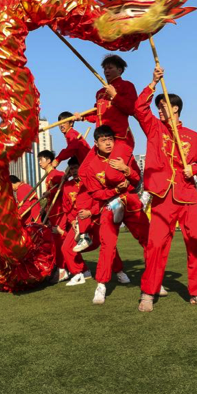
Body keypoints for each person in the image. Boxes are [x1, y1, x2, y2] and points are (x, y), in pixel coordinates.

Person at [133, 66, 197, 312]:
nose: (160, 110)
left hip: (188, 196)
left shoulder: (193, 137)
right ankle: (148, 292)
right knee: (156, 245)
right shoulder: (153, 128)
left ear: (176, 108)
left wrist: (196, 169)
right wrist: (153, 83)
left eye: (164, 106)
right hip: (162, 196)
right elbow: (139, 109)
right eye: (158, 106)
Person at [78, 125, 150, 305]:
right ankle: (101, 285)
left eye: (110, 139)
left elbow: (137, 179)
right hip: (109, 207)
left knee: (149, 240)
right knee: (107, 245)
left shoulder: (123, 154)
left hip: (131, 202)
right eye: (104, 140)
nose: (108, 143)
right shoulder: (92, 166)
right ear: (96, 143)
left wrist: (126, 169)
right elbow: (95, 194)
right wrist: (114, 191)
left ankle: (153, 279)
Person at [77, 55, 138, 150]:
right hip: (101, 139)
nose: (106, 71)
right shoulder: (100, 92)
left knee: (118, 164)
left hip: (119, 137)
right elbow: (97, 115)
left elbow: (131, 109)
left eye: (110, 68)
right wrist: (82, 117)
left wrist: (114, 96)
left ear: (120, 70)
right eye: (105, 68)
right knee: (87, 165)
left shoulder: (127, 86)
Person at [38, 150, 65, 225]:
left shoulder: (57, 174)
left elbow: (64, 189)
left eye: (41, 160)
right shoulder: (48, 176)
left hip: (59, 211)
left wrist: (50, 192)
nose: (39, 162)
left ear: (49, 160)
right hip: (51, 211)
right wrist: (45, 208)